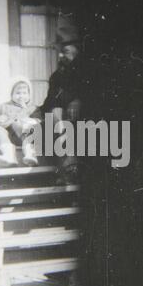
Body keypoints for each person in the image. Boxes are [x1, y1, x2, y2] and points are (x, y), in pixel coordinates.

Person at [41, 43, 83, 183]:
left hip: (83, 119)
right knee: (55, 117)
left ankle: (66, 171)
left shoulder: (86, 74)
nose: (60, 56)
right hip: (60, 121)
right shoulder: (56, 77)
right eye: (60, 52)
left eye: (65, 52)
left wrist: (78, 100)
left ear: (77, 55)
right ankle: (68, 166)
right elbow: (50, 102)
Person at [0, 80, 42, 167]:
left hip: (26, 139)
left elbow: (38, 122)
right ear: (11, 94)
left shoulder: (33, 108)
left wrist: (25, 116)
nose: (21, 96)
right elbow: (0, 122)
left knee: (18, 124)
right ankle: (9, 154)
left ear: (29, 95)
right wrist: (3, 120)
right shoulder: (4, 107)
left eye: (24, 93)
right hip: (9, 139)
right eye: (18, 93)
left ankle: (30, 154)